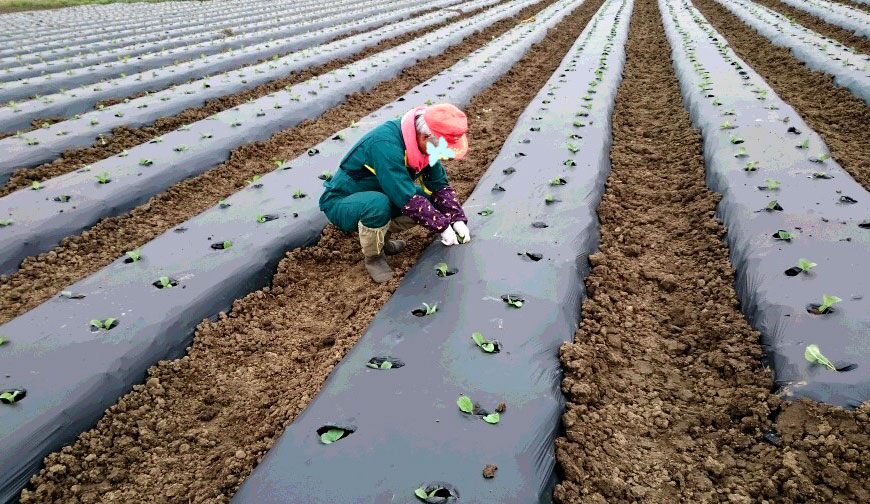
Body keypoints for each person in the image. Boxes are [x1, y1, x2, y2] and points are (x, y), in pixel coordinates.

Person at [319, 103, 471, 283]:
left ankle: (382, 238)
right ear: (424, 137)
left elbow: (438, 184)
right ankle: (374, 258)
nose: (442, 156)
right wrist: (442, 226)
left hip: (382, 191)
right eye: (441, 150)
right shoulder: (386, 145)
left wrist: (456, 218)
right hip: (342, 202)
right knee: (379, 204)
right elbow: (404, 196)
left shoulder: (423, 143)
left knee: (426, 199)